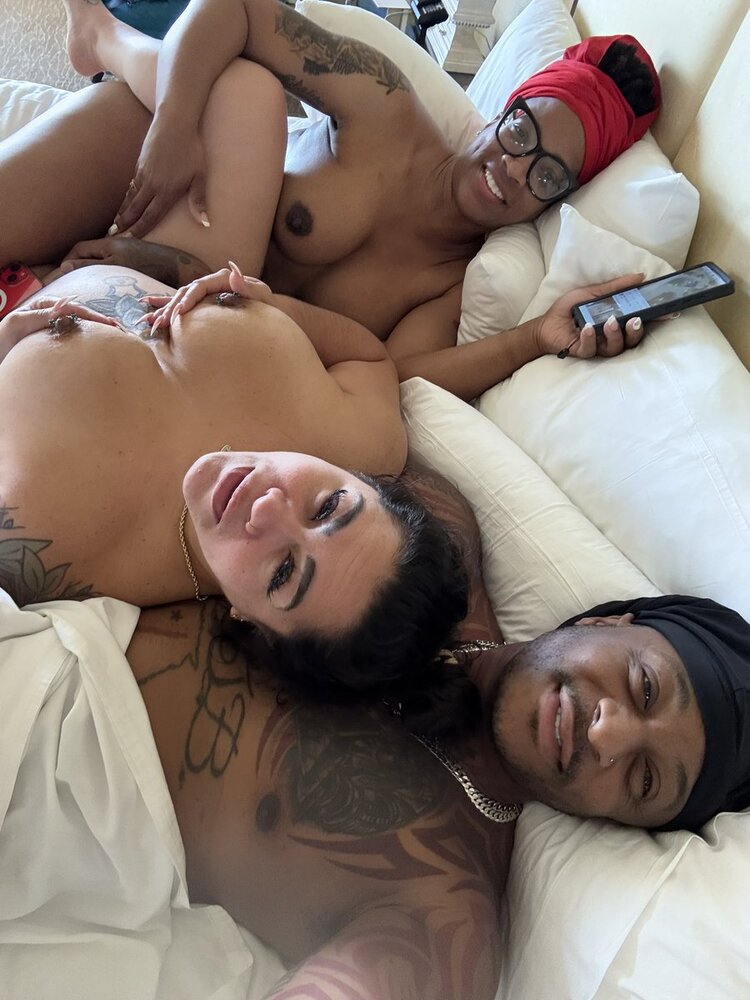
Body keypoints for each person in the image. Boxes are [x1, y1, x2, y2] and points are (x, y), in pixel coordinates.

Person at [20, 1, 660, 401]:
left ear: (556, 200)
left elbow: (400, 374)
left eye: (548, 176)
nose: (515, 170)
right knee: (247, 90)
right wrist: (175, 125)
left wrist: (535, 338)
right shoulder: (387, 107)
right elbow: (237, 8)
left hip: (177, 300)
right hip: (157, 174)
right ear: (504, 110)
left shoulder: (448, 283)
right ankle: (103, 37)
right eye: (522, 132)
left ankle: (105, 37)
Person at [0, 249, 470, 715]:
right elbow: (369, 357)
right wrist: (274, 305)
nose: (266, 507)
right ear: (367, 482)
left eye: (283, 572)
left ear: (252, 624)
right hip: (151, 247)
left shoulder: (47, 549)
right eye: (328, 507)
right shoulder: (368, 440)